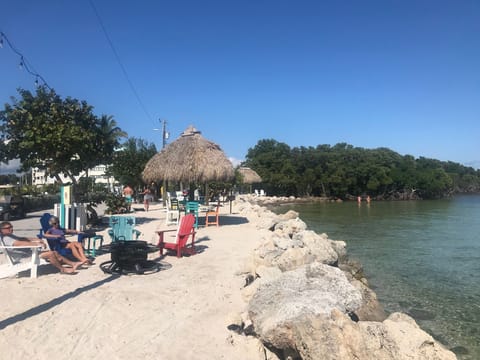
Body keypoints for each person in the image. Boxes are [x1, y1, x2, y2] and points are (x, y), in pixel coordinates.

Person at [1, 221, 82, 274]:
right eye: (8, 228)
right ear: (2, 230)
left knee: (55, 252)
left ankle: (73, 264)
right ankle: (62, 269)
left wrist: (36, 239)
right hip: (25, 257)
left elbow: (22, 239)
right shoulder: (6, 238)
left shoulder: (9, 235)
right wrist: (36, 244)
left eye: (11, 227)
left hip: (29, 253)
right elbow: (19, 243)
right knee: (51, 254)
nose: (11, 229)